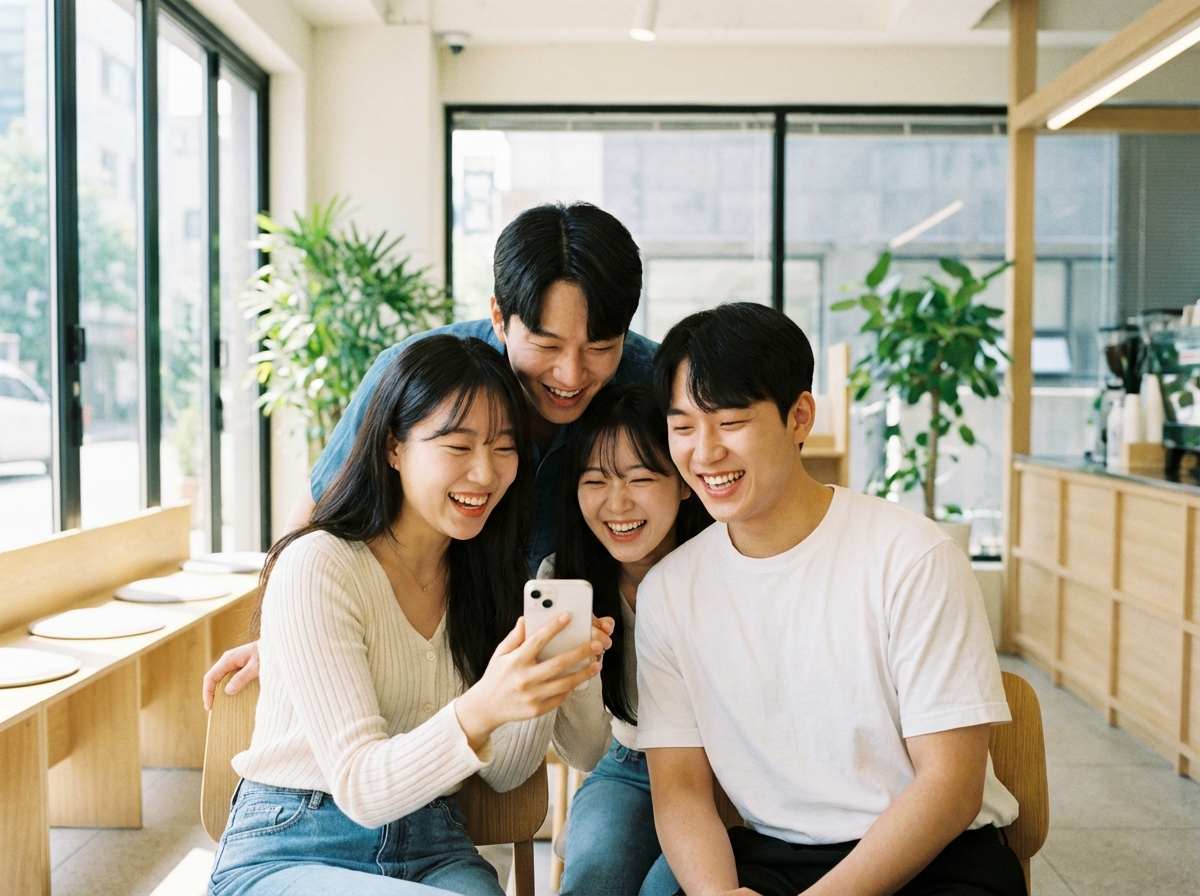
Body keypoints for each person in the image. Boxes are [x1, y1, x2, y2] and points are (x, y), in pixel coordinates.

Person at [636, 303, 1026, 896]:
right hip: (771, 857)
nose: (706, 452)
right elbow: (681, 789)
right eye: (684, 427)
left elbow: (951, 786)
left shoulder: (912, 557)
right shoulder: (670, 590)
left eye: (731, 422)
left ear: (799, 417)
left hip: (934, 856)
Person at [203, 201, 655, 706]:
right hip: (447, 625)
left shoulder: (652, 381)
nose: (571, 375)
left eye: (599, 347)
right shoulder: (419, 375)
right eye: (547, 346)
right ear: (500, 319)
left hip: (597, 627)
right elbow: (324, 506)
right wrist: (281, 632)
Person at [208, 335, 611, 896]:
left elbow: (508, 771)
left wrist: (556, 679)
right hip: (293, 845)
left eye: (504, 447)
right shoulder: (318, 564)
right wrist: (485, 703)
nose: (485, 473)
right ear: (395, 447)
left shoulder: (494, 581)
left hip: (434, 848)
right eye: (458, 445)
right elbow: (360, 786)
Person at [538, 384, 712, 896]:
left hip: (726, 770)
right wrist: (581, 674)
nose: (617, 504)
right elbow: (587, 752)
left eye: (641, 478)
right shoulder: (562, 581)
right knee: (594, 879)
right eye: (595, 481)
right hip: (627, 763)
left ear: (683, 482)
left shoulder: (723, 563)